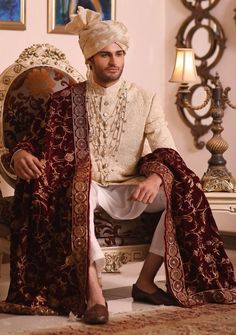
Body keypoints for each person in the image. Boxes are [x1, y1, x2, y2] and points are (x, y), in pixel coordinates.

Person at [0, 6, 235, 325]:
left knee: (183, 188)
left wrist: (156, 177)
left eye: (119, 53)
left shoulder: (144, 98)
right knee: (77, 194)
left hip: (131, 187)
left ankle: (145, 281)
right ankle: (94, 294)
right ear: (89, 60)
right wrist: (18, 155)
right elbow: (30, 140)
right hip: (88, 187)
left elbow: (167, 147)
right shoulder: (65, 100)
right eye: (105, 55)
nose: (114, 61)